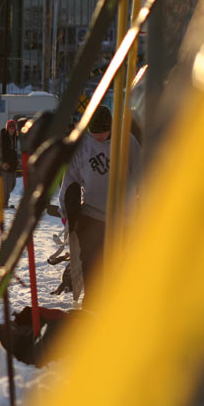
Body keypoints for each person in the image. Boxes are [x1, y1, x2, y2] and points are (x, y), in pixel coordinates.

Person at [58, 105, 141, 307]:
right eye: (95, 133)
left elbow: (142, 173)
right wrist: (66, 211)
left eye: (103, 132)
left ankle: (120, 301)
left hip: (124, 215)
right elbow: (70, 180)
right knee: (91, 261)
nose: (100, 137)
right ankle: (93, 300)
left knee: (121, 261)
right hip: (92, 213)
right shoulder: (82, 147)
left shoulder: (127, 142)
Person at [0, 119, 19, 207]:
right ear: (7, 128)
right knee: (6, 187)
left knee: (12, 185)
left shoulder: (15, 137)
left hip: (13, 166)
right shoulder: (2, 137)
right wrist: (2, 163)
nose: (11, 130)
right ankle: (3, 203)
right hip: (4, 166)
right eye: (10, 128)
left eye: (13, 128)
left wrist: (16, 162)